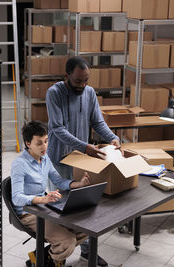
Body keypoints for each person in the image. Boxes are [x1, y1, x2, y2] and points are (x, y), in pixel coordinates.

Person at [46, 56, 120, 266]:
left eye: (86, 80)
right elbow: (57, 129)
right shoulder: (54, 93)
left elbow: (97, 121)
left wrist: (112, 137)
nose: (83, 85)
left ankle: (88, 251)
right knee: (61, 209)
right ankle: (54, 254)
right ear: (66, 76)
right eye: (78, 81)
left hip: (81, 162)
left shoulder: (89, 93)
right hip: (59, 161)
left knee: (86, 210)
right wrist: (86, 146)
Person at [11, 120, 90, 267]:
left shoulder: (45, 158)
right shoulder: (19, 164)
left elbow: (59, 181)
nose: (45, 146)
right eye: (39, 143)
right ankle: (51, 262)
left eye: (46, 141)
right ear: (28, 144)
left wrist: (78, 184)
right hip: (27, 213)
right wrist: (42, 199)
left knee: (84, 229)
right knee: (67, 240)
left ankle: (41, 257)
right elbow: (16, 198)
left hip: (43, 209)